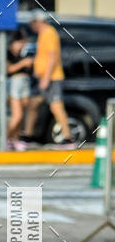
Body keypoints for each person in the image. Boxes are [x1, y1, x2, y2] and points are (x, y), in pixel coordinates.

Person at [21, 9, 75, 148]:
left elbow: (52, 57)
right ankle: (27, 135)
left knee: (56, 106)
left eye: (33, 23)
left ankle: (68, 138)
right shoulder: (43, 34)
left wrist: (46, 78)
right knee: (33, 104)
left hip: (51, 78)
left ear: (39, 22)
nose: (31, 26)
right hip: (43, 78)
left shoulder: (49, 33)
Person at [6, 29, 34, 150]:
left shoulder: (24, 53)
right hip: (14, 84)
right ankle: (6, 138)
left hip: (25, 83)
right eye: (20, 43)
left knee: (22, 115)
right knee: (17, 116)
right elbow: (9, 69)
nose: (21, 46)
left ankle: (15, 139)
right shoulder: (7, 53)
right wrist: (23, 63)